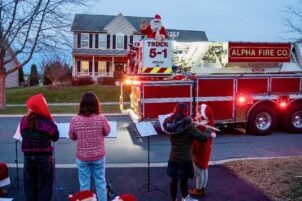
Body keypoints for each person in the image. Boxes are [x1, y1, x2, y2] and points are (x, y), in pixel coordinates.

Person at [162, 103, 215, 201]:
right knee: (183, 180)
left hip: (173, 157)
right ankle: (185, 198)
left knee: (174, 180)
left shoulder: (169, 123)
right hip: (185, 157)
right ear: (185, 111)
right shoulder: (188, 125)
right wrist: (208, 130)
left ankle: (173, 199)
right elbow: (202, 138)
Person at [69, 92, 111, 201]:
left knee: (84, 185)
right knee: (101, 183)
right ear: (96, 104)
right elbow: (107, 132)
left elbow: (72, 136)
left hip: (82, 157)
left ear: (81, 104)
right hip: (98, 155)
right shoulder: (101, 118)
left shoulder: (75, 119)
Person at [20, 93, 59, 201]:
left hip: (28, 157)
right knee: (45, 186)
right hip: (44, 157)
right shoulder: (48, 123)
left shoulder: (23, 121)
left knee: (30, 185)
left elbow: (22, 133)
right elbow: (55, 137)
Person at [190, 104, 216, 197]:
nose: (196, 113)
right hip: (206, 150)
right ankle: (202, 187)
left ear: (202, 114)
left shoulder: (202, 126)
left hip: (200, 150)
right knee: (204, 169)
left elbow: (195, 135)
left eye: (198, 112)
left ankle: (198, 189)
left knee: (199, 170)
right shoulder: (208, 124)